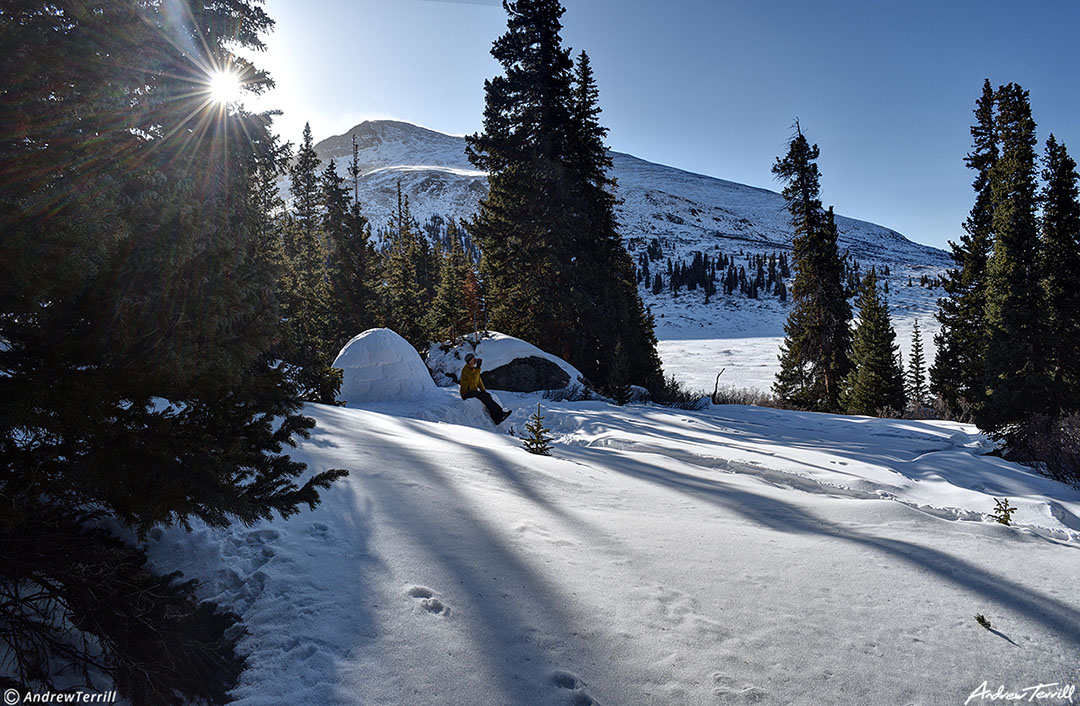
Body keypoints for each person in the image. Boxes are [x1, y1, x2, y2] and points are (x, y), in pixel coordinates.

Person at [460, 353, 511, 424]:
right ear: (470, 361)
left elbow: (478, 381)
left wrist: (483, 390)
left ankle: (497, 417)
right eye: (473, 359)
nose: (475, 360)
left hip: (473, 391)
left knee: (487, 396)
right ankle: (499, 414)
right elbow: (473, 377)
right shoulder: (465, 370)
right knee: (483, 397)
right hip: (466, 393)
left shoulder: (474, 369)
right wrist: (478, 367)